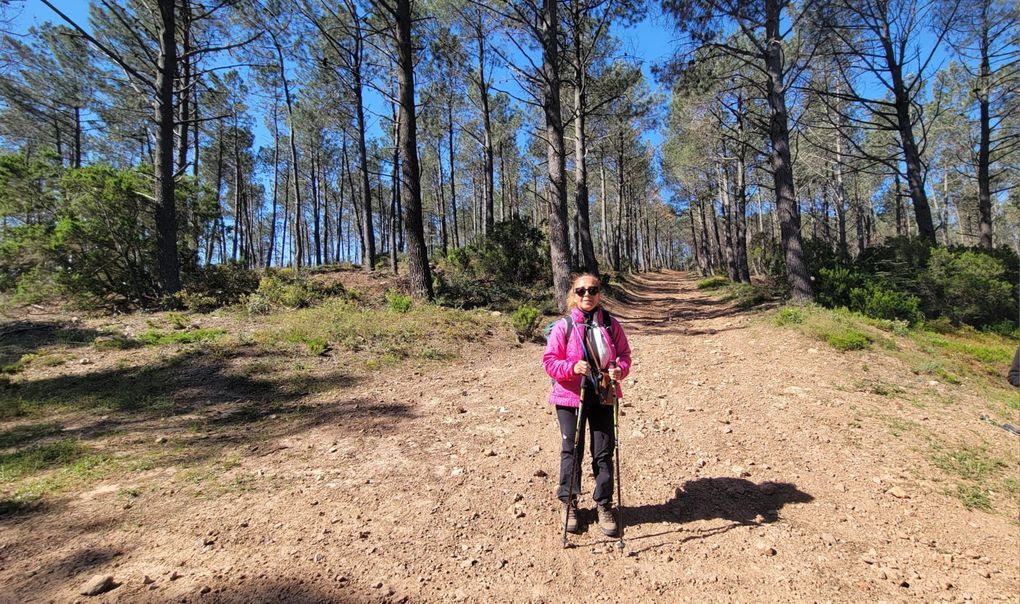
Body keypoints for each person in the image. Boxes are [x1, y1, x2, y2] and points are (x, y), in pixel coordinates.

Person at [543, 273, 632, 536]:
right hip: (571, 397)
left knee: (603, 450)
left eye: (592, 290)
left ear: (599, 293)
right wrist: (572, 367)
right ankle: (569, 503)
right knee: (572, 449)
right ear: (574, 293)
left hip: (604, 394)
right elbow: (549, 362)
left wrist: (620, 370)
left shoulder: (610, 324)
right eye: (581, 291)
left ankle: (604, 504)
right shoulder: (564, 326)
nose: (587, 295)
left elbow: (625, 355)